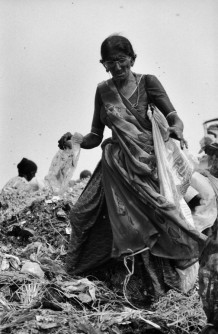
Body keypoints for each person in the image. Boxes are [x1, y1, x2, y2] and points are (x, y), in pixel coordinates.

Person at [58, 35, 211, 303]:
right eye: (109, 63)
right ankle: (101, 277)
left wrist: (176, 128)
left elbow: (173, 115)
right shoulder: (102, 91)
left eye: (121, 62)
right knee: (83, 214)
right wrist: (77, 138)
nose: (116, 68)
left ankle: (154, 290)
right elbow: (96, 134)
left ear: (132, 59)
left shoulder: (148, 82)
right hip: (115, 166)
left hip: (147, 166)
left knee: (152, 224)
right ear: (102, 64)